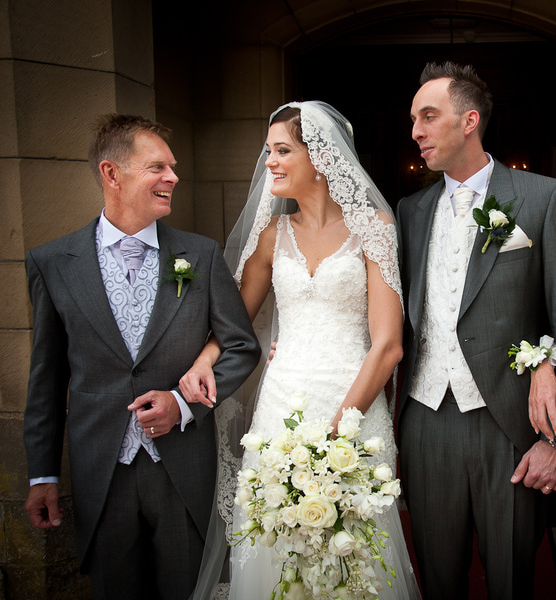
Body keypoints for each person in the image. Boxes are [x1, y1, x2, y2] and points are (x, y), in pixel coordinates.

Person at [180, 101, 421, 599]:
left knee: (353, 556)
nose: (269, 162)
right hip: (280, 410)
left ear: (321, 156)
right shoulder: (271, 236)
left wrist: (339, 431)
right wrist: (205, 359)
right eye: (268, 151)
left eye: (282, 150)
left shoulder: (373, 227)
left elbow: (389, 345)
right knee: (273, 549)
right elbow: (234, 324)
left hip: (353, 410)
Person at [22, 114, 262, 599]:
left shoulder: (199, 255)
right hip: (101, 473)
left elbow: (241, 345)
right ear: (112, 174)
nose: (173, 177)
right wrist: (42, 474)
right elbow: (47, 377)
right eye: (158, 167)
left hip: (182, 471)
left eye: (172, 167)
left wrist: (183, 403)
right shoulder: (52, 263)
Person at [395, 61, 556, 599]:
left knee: (511, 581)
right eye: (413, 119)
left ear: (470, 121)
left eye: (428, 116)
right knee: (437, 581)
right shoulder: (410, 211)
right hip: (425, 420)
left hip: (510, 424)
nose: (415, 131)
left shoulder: (543, 197)